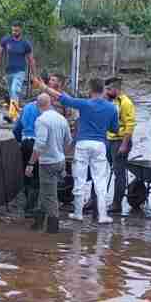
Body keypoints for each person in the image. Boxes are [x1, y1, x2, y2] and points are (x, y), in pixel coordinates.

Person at [39, 76, 118, 224]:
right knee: (100, 180)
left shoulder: (84, 104)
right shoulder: (111, 107)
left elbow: (62, 98)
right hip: (100, 144)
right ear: (103, 90)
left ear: (90, 90)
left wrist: (43, 87)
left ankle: (78, 213)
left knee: (79, 179)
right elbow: (114, 128)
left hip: (82, 144)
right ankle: (102, 216)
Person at [25, 93, 71, 233]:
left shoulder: (42, 120)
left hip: (47, 163)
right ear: (50, 103)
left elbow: (39, 145)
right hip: (60, 160)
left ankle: (53, 228)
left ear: (38, 105)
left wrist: (31, 163)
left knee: (50, 196)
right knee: (46, 192)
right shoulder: (62, 119)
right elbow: (68, 140)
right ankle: (38, 223)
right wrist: (61, 153)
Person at [104, 77, 136, 215]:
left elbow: (130, 125)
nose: (106, 91)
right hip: (109, 140)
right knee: (112, 169)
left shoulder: (126, 103)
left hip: (120, 141)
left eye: (109, 89)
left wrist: (124, 144)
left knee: (119, 173)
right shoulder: (111, 101)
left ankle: (117, 204)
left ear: (116, 89)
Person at [0, 24, 36, 102]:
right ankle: (14, 110)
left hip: (20, 71)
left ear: (20, 30)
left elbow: (31, 60)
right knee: (11, 94)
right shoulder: (6, 40)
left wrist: (34, 75)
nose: (14, 32)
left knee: (14, 90)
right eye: (13, 30)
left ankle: (13, 113)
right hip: (9, 71)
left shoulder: (25, 44)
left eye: (16, 31)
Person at [13, 93, 43, 216]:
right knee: (36, 174)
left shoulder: (26, 108)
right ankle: (31, 207)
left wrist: (20, 141)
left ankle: (26, 201)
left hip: (25, 142)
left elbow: (16, 129)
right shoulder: (44, 110)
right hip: (37, 144)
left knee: (26, 172)